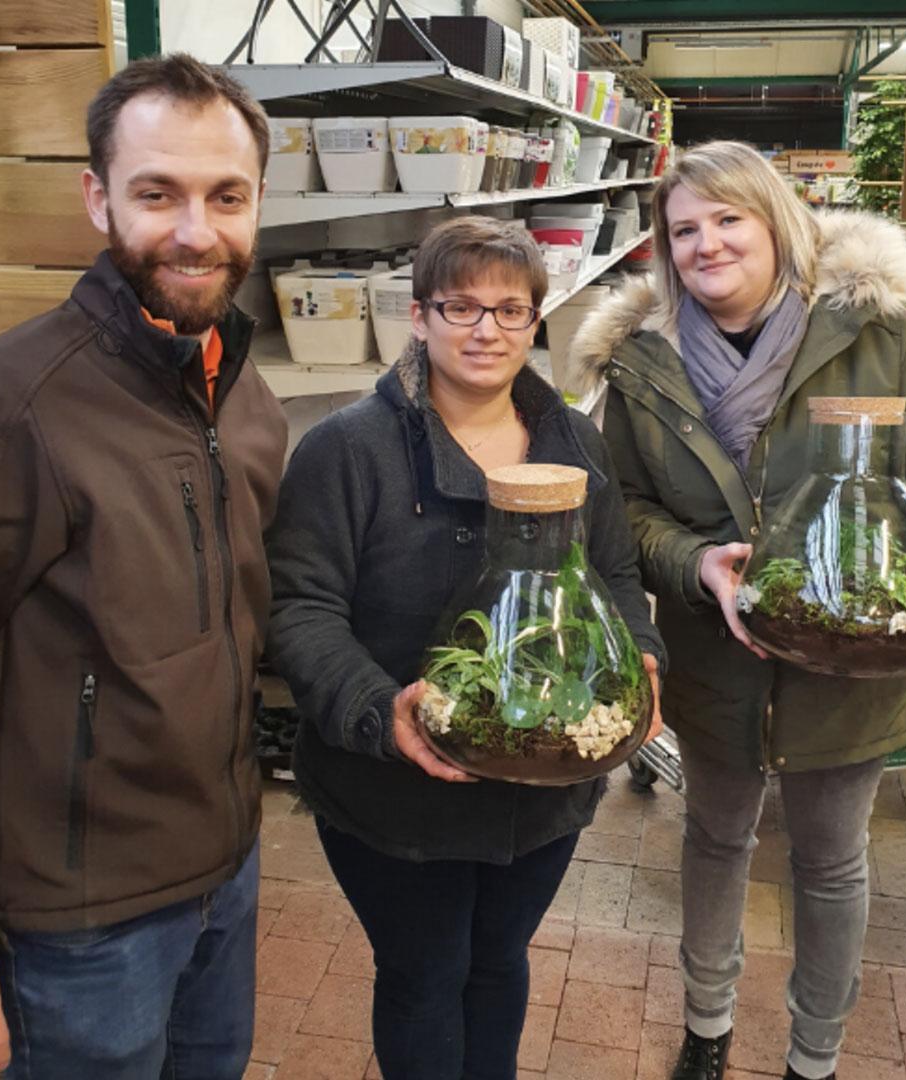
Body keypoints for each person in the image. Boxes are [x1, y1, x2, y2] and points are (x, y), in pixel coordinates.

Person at [568, 140, 906, 1080]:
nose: (707, 245)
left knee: (830, 861)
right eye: (684, 229)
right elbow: (629, 510)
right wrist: (698, 565)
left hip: (856, 651)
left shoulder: (877, 332)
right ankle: (707, 1025)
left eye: (729, 218)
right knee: (716, 835)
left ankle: (814, 1056)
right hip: (714, 656)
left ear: (777, 221)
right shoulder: (640, 364)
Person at [265, 216, 665, 1080]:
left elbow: (617, 573)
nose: (487, 330)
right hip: (395, 792)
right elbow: (301, 609)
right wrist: (381, 711)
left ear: (535, 321)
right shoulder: (348, 451)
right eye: (461, 307)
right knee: (423, 973)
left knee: (498, 962)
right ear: (418, 318)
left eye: (511, 310)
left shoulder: (573, 444)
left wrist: (639, 659)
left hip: (545, 787)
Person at [0, 54, 287, 1079]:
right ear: (97, 197)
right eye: (158, 194)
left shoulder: (245, 395)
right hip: (79, 922)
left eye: (225, 196)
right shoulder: (9, 404)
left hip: (225, 872)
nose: (196, 231)